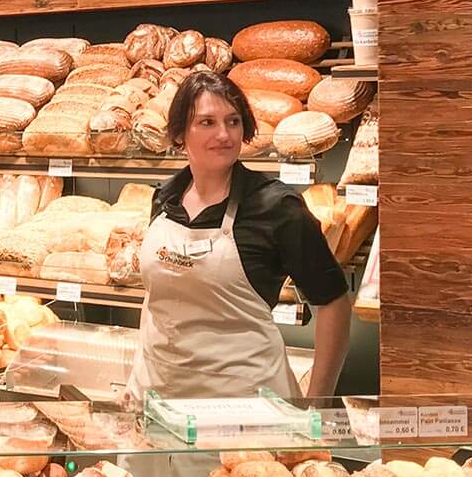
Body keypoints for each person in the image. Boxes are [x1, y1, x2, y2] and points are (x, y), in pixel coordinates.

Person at [125, 70, 352, 400]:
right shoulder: (165, 197)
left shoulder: (276, 208)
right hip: (158, 398)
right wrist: (136, 374)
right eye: (207, 123)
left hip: (243, 409)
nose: (224, 134)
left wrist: (317, 405)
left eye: (233, 122)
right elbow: (158, 296)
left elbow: (334, 303)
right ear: (179, 133)